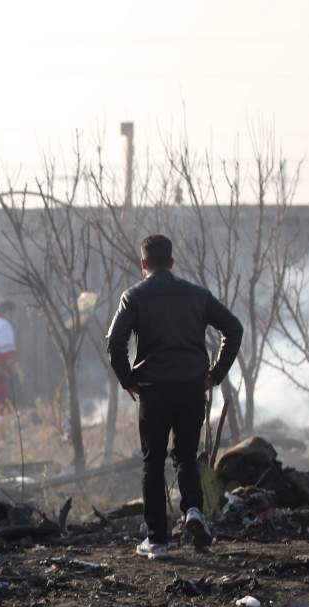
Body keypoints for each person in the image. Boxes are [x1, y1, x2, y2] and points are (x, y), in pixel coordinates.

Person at [106, 234, 243, 560]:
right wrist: (215, 373)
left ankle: (157, 541)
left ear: (143, 264)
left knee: (153, 461)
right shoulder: (197, 295)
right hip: (192, 388)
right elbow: (234, 329)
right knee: (185, 455)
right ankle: (193, 511)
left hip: (153, 390)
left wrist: (128, 380)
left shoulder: (133, 296)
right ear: (171, 261)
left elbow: (114, 342)